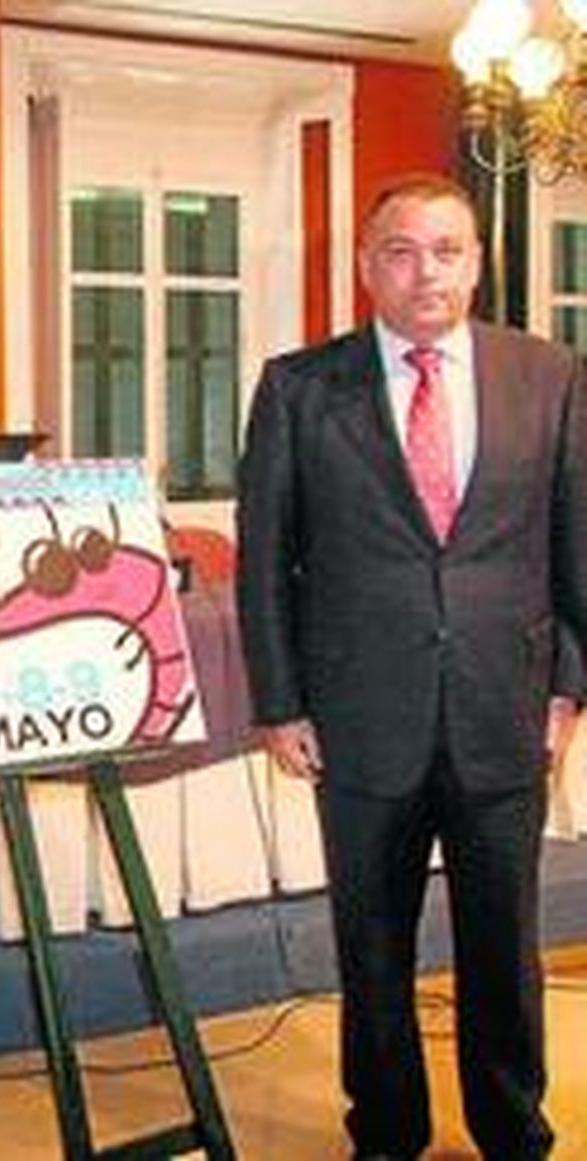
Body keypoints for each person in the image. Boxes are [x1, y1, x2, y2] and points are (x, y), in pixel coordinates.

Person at [237, 171, 587, 1160]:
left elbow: (574, 545)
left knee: (503, 949)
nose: (423, 270)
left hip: (504, 712)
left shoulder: (549, 375)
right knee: (373, 945)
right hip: (356, 719)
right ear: (364, 267)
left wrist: (567, 686)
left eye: (446, 249)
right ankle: (383, 1131)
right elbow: (265, 555)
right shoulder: (299, 388)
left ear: (476, 263)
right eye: (399, 250)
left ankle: (511, 1129)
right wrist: (279, 702)